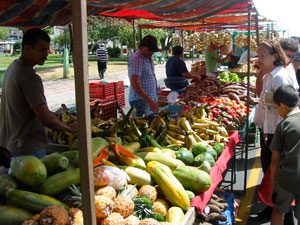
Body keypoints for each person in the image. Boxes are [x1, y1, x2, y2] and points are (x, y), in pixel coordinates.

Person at [0, 28, 77, 167]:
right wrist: (70, 128)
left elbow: (30, 109)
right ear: (27, 48)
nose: (46, 54)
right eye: (41, 50)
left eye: (47, 50)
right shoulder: (29, 77)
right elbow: (44, 118)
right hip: (27, 149)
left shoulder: (13, 68)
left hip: (10, 145)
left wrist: (55, 115)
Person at [253, 41, 299, 223]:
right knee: (268, 172)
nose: (260, 58)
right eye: (258, 54)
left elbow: (286, 109)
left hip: (278, 133)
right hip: (268, 130)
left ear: (275, 56)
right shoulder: (268, 76)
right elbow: (264, 105)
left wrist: (278, 138)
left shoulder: (280, 77)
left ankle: (284, 214)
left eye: (263, 55)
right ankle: (271, 207)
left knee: (277, 174)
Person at [270, 85, 300, 225]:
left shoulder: (283, 125)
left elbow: (275, 160)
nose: (278, 111)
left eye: (276, 107)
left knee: (278, 210)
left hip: (287, 179)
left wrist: (272, 185)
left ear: (283, 106)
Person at [128, 35, 159, 117]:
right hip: (140, 101)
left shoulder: (147, 57)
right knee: (143, 126)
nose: (151, 53)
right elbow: (135, 82)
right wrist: (149, 100)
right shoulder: (137, 59)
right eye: (149, 50)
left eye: (153, 51)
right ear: (142, 47)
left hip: (148, 100)